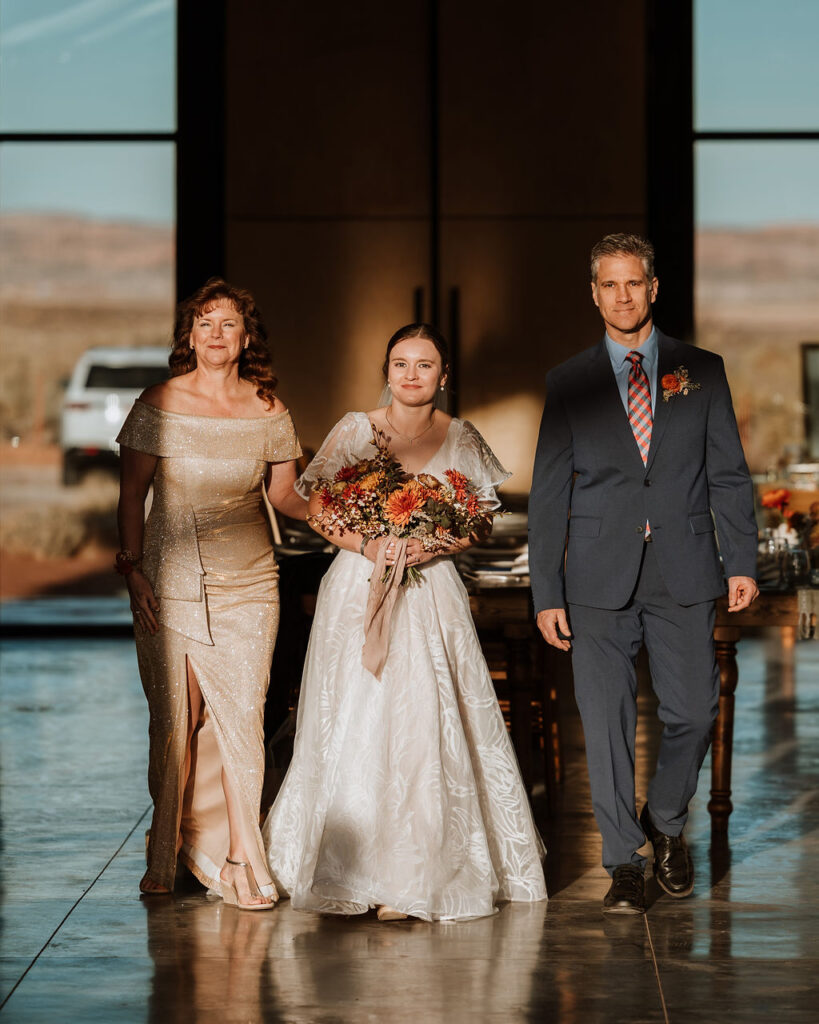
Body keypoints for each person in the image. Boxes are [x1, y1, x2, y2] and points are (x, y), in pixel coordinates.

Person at [262, 323, 546, 922]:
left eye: (424, 364)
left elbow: (482, 519)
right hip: (357, 585)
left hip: (430, 587)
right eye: (400, 363)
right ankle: (345, 865)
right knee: (355, 710)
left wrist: (432, 545)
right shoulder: (354, 429)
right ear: (386, 370)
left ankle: (417, 871)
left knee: (425, 715)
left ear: (444, 376)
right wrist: (371, 549)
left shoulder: (461, 436)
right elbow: (319, 507)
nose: (411, 374)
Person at [528, 234, 759, 915]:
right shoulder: (567, 382)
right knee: (602, 723)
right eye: (609, 285)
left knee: (693, 713)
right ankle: (622, 859)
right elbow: (548, 494)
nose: (622, 296)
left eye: (634, 283)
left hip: (685, 569)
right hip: (595, 578)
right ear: (593, 293)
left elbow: (726, 472)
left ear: (652, 288)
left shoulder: (701, 370)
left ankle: (665, 821)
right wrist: (547, 590)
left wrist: (739, 558)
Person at [117, 278, 307, 907]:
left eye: (228, 323)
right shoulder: (159, 402)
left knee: (243, 721)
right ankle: (168, 845)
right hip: (167, 579)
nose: (216, 334)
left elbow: (285, 497)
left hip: (251, 581)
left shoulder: (268, 408)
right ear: (189, 335)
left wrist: (363, 518)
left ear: (246, 336)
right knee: (177, 720)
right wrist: (133, 569)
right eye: (204, 322)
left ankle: (240, 855)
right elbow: (130, 497)